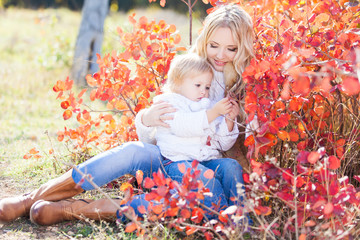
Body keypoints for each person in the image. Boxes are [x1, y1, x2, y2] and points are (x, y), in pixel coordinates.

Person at [0, 3, 255, 225]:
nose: (220, 55)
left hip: (202, 170)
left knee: (200, 194)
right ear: (205, 41)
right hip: (168, 158)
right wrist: (147, 118)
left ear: (242, 48)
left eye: (231, 49)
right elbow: (158, 120)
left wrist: (232, 117)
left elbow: (231, 145)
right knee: (131, 151)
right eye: (214, 45)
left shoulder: (246, 84)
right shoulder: (192, 68)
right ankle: (30, 199)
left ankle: (78, 210)